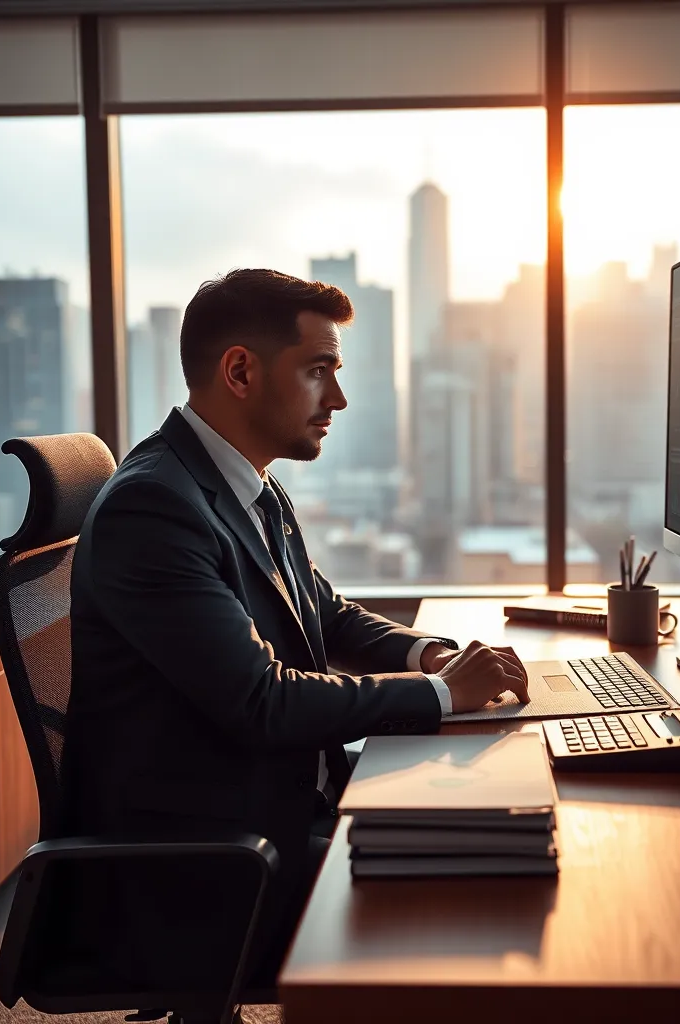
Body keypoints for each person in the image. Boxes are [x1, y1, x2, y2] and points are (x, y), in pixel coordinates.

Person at [63, 268, 529, 997]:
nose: (337, 398)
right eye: (318, 371)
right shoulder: (153, 508)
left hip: (271, 813)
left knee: (496, 832)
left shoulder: (246, 482)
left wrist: (430, 654)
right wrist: (442, 695)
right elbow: (262, 700)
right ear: (240, 372)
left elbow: (325, 611)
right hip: (207, 871)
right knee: (478, 895)